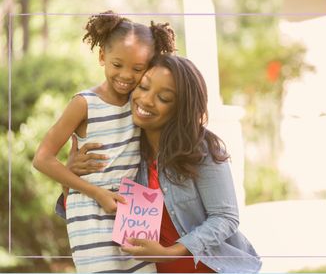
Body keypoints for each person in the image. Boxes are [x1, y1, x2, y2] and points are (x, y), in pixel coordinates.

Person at [68, 54, 262, 273]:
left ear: (181, 109)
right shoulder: (126, 150)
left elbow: (225, 218)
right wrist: (70, 177)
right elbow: (82, 214)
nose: (147, 100)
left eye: (164, 98)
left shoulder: (201, 149)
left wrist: (169, 253)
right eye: (143, 87)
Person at [33, 11, 175, 273]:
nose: (126, 75)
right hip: (90, 213)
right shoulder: (84, 103)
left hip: (133, 210)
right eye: (117, 64)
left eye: (137, 68)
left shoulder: (141, 103)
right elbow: (42, 159)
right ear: (102, 57)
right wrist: (96, 192)